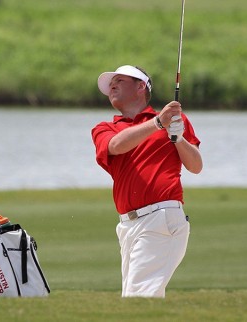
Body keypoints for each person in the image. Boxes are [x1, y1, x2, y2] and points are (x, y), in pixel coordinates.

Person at [91, 65, 203, 298]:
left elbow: (196, 166)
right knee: (137, 298)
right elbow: (115, 146)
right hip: (127, 226)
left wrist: (178, 139)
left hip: (161, 218)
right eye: (111, 83)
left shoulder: (174, 121)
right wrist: (157, 124)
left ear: (141, 86)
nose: (112, 85)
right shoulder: (105, 128)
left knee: (139, 298)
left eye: (119, 80)